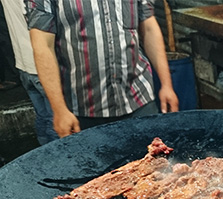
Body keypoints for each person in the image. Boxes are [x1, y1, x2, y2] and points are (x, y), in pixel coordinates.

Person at [26, 0, 179, 138]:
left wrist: (166, 85)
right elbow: (42, 46)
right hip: (83, 110)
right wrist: (59, 109)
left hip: (139, 98)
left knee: (155, 162)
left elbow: (149, 26)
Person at [1, 0, 59, 145]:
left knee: (42, 116)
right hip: (41, 66)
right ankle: (56, 155)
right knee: (56, 119)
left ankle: (43, 153)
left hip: (22, 64)